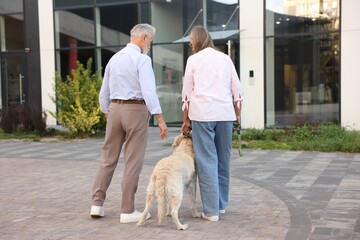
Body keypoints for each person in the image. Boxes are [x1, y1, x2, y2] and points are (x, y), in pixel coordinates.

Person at [90, 23, 168, 223]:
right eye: (150, 40)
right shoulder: (142, 59)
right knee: (133, 161)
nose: (150, 45)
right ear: (143, 37)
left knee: (107, 159)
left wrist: (108, 111)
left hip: (115, 109)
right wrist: (159, 118)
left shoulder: (114, 59)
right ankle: (127, 210)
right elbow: (149, 91)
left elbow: (103, 92)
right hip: (135, 110)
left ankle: (96, 204)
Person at [181, 26, 244, 222]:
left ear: (197, 40)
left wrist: (185, 120)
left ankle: (210, 211)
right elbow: (238, 92)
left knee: (207, 161)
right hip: (225, 114)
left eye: (191, 40)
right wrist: (237, 116)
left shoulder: (193, 60)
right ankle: (220, 205)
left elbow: (187, 95)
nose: (190, 43)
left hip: (202, 114)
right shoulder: (225, 59)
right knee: (223, 159)